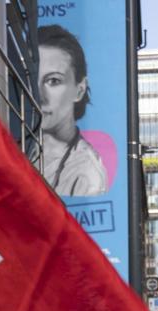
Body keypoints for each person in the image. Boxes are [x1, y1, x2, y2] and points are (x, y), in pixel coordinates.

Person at [37, 25, 108, 197]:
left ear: (79, 90)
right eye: (33, 79)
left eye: (53, 81)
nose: (40, 95)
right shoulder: (20, 149)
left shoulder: (85, 174)